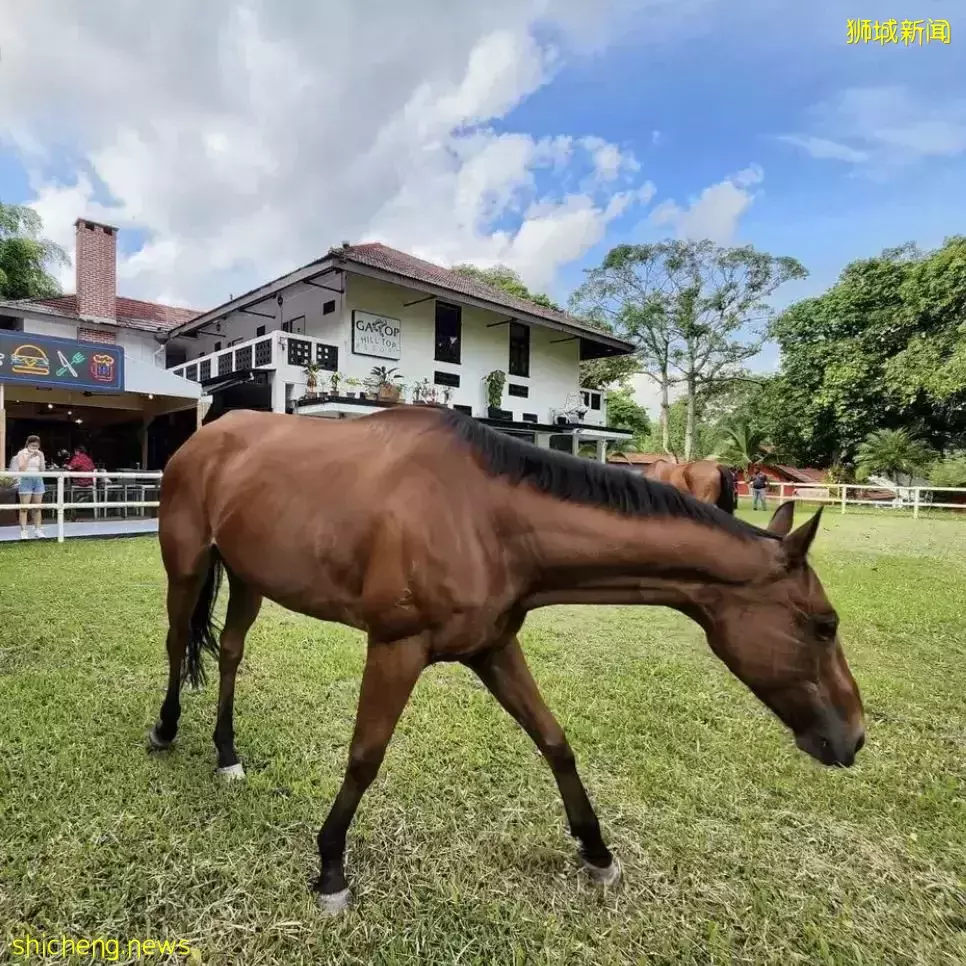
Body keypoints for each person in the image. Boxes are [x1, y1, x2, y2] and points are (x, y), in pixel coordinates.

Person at [15, 435, 47, 539]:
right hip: (25, 479)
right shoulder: (21, 453)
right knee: (24, 507)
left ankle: (38, 530)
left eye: (36, 446)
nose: (34, 448)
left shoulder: (40, 453)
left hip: (38, 479)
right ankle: (24, 531)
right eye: (32, 445)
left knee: (37, 507)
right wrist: (29, 457)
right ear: (28, 444)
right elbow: (21, 468)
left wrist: (41, 456)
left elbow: (42, 469)